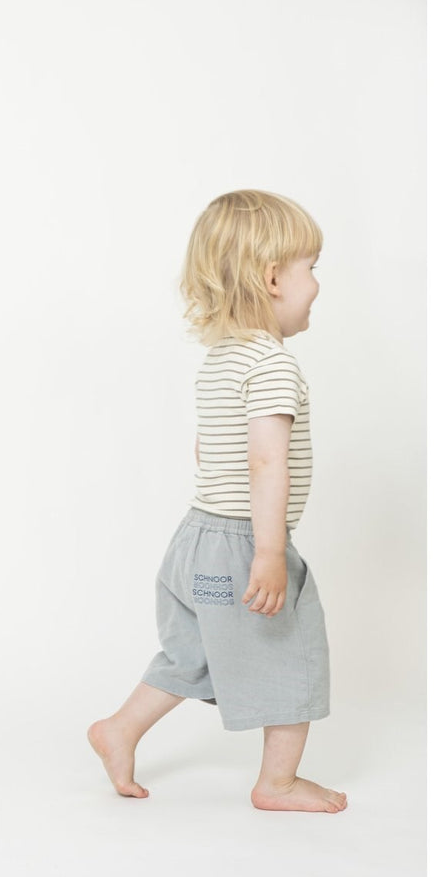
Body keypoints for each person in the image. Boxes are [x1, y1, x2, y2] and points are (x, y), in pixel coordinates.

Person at [87, 189, 347, 814]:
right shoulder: (274, 366)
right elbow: (265, 462)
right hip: (241, 543)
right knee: (294, 654)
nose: (318, 284)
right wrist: (269, 552)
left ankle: (119, 729)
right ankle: (277, 783)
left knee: (193, 652)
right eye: (312, 268)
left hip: (196, 538)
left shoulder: (222, 360)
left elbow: (209, 449)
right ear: (272, 279)